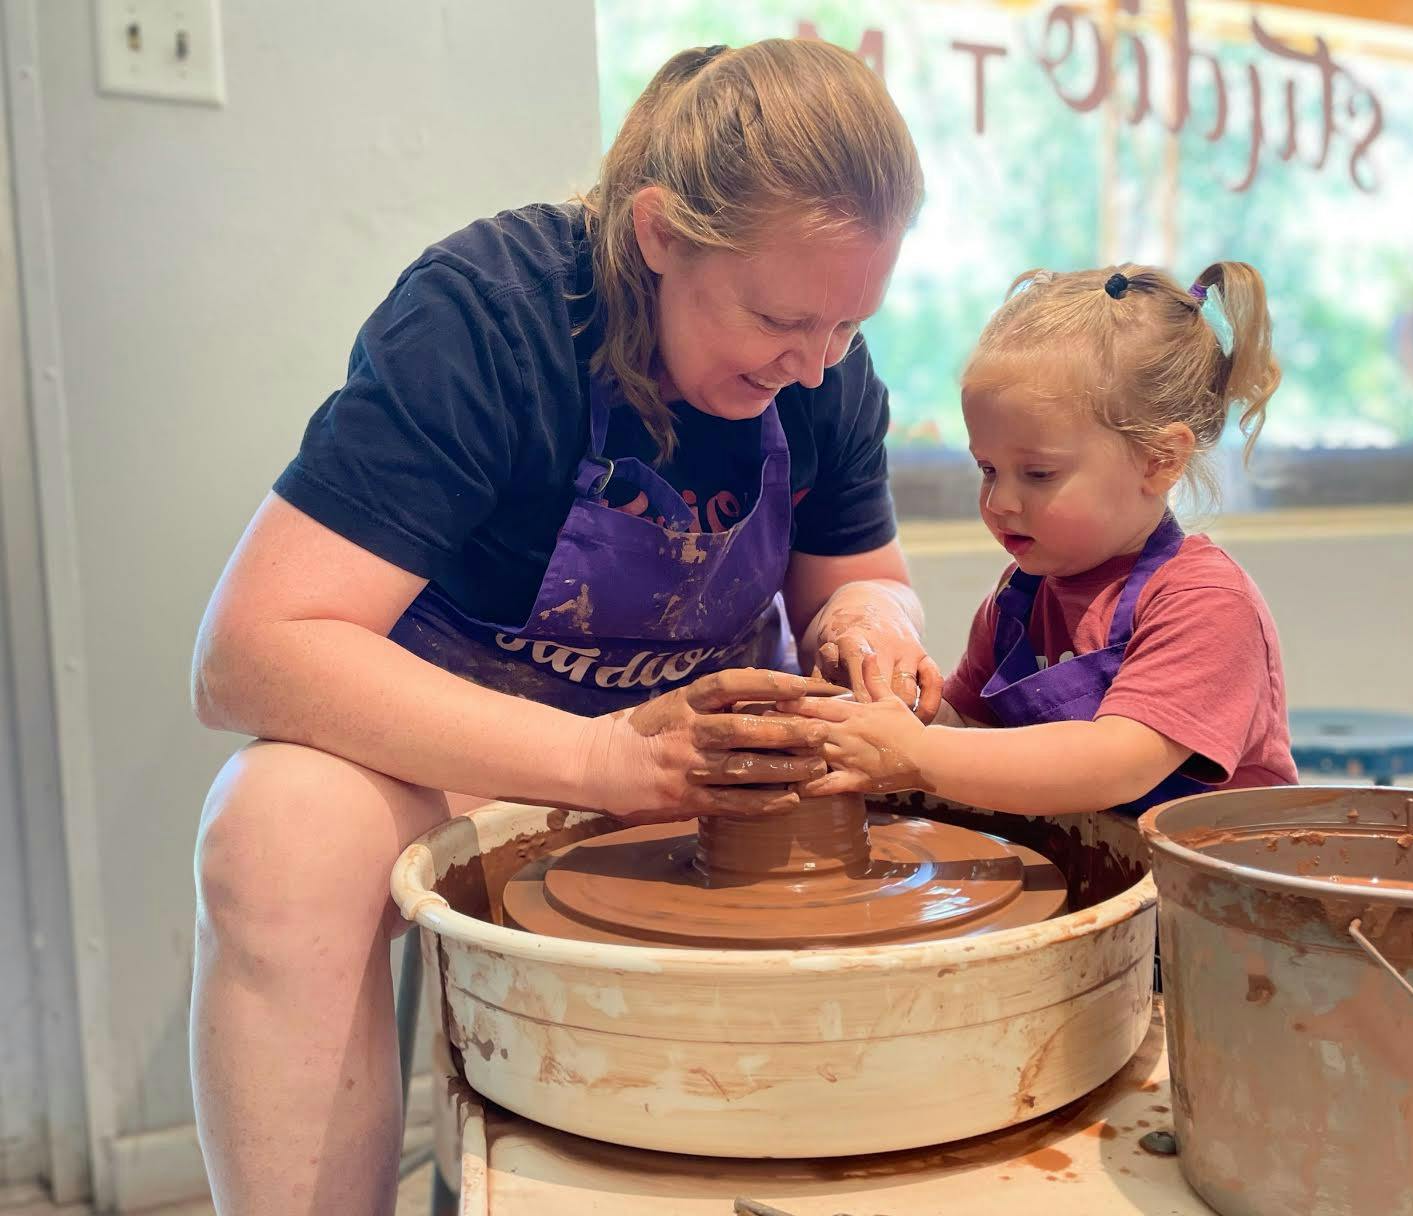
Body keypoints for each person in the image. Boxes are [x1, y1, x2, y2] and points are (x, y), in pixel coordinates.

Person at [188, 39, 932, 1213]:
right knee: (274, 829)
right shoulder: (488, 318)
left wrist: (872, 613)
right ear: (658, 234)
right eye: (781, 320)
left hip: (707, 782)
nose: (815, 364)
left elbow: (859, 576)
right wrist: (597, 759)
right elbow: (250, 651)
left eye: (848, 326)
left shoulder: (823, 358)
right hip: (476, 770)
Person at [783, 263, 1299, 814]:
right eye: (987, 469)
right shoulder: (1019, 596)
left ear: (1160, 460)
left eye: (1038, 474)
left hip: (1212, 888)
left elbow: (1116, 763)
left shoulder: (1204, 604)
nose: (1000, 501)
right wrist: (890, 706)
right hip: (1101, 866)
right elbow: (974, 731)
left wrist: (917, 752)